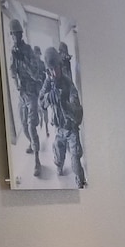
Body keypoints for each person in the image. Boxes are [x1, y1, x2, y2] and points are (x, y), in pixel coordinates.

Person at [42, 46, 85, 188]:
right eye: (51, 70)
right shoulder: (48, 83)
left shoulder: (69, 84)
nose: (54, 73)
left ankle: (81, 182)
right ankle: (59, 166)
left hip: (71, 129)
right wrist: (49, 97)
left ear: (60, 66)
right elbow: (41, 102)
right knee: (58, 157)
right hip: (59, 129)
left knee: (75, 161)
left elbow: (78, 114)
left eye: (56, 68)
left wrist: (64, 104)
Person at [7, 18, 45, 177]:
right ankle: (32, 143)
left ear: (20, 34)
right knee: (23, 124)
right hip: (22, 95)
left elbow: (35, 74)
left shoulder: (28, 50)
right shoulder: (13, 51)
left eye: (17, 34)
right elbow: (12, 71)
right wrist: (16, 80)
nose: (15, 37)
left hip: (32, 95)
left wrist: (22, 59)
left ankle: (37, 160)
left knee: (31, 126)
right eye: (12, 35)